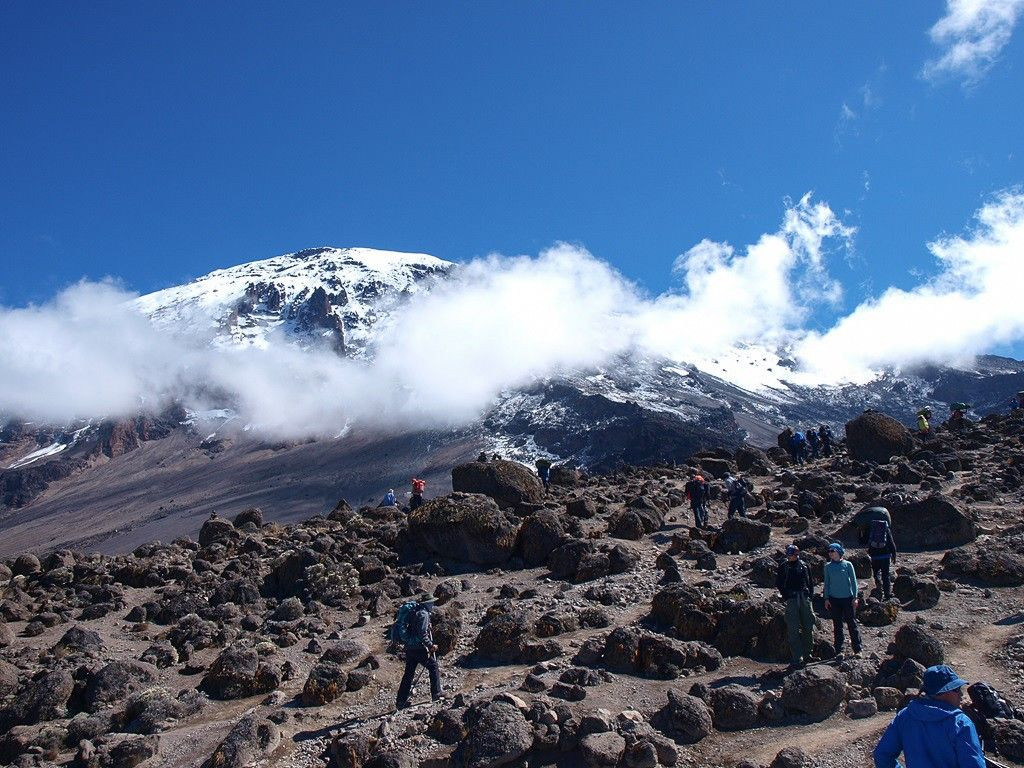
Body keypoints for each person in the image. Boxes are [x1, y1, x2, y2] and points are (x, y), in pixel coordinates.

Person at [873, 664, 986, 768]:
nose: (961, 694)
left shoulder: (905, 716)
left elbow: (882, 755)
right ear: (942, 693)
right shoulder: (960, 723)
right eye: (956, 689)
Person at [395, 596, 442, 709]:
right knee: (433, 666)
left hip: (409, 647)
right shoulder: (423, 614)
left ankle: (401, 701)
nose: (433, 605)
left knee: (409, 673)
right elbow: (422, 634)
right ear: (427, 604)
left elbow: (415, 628)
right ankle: (436, 693)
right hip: (418, 647)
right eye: (431, 603)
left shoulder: (415, 611)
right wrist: (431, 646)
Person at [777, 544, 814, 667]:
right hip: (792, 599)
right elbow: (779, 583)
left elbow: (810, 582)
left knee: (808, 626)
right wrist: (786, 595)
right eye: (789, 554)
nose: (790, 556)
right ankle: (797, 657)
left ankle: (808, 654)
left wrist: (809, 596)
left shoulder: (804, 565)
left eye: (792, 554)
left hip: (804, 598)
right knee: (793, 628)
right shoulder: (784, 566)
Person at [824, 542, 862, 660]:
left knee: (852, 624)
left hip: (847, 599)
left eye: (832, 551)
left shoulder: (848, 565)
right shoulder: (827, 567)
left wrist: (855, 597)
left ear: (839, 552)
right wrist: (826, 598)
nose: (830, 553)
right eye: (829, 551)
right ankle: (839, 651)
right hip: (834, 600)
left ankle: (858, 649)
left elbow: (854, 582)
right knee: (837, 626)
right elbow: (827, 584)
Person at [867, 512, 898, 600]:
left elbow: (866, 541)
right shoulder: (886, 528)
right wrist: (894, 555)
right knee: (886, 575)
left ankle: (877, 586)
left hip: (874, 556)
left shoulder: (871, 528)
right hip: (885, 556)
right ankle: (887, 594)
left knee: (876, 573)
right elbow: (891, 543)